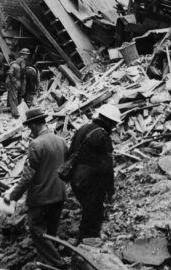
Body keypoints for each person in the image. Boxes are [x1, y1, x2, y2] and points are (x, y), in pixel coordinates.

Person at [6, 107, 67, 269]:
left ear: (33, 125)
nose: (29, 131)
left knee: (37, 231)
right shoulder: (60, 140)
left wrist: (12, 197)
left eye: (29, 127)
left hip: (42, 198)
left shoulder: (36, 144)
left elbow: (27, 176)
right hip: (59, 195)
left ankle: (57, 265)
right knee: (50, 234)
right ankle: (45, 265)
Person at [68, 104, 119, 243]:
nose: (113, 127)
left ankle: (82, 238)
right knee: (93, 213)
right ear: (109, 121)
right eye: (113, 124)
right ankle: (86, 244)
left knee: (87, 209)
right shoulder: (102, 136)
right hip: (90, 181)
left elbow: (70, 152)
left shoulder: (83, 129)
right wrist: (110, 190)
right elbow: (107, 167)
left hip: (75, 178)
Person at [7, 49, 29, 115]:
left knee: (14, 96)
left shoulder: (16, 62)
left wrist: (14, 79)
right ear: (24, 54)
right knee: (19, 95)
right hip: (20, 80)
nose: (27, 56)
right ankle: (18, 111)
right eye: (27, 55)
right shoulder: (22, 61)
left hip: (16, 81)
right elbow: (23, 70)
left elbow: (11, 73)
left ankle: (15, 112)